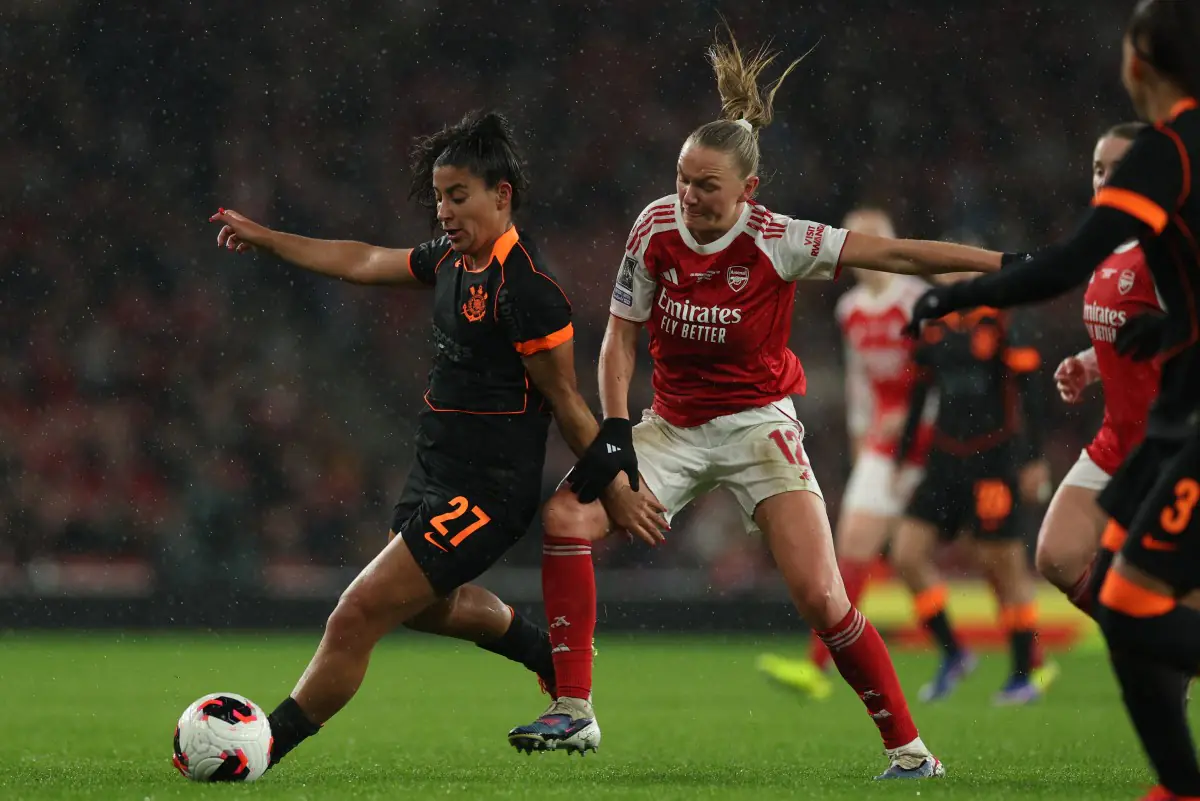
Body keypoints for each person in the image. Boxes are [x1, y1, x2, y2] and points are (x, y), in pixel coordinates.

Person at [507, 30, 1019, 780]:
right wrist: (615, 434)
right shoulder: (653, 229)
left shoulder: (780, 239)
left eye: (706, 185)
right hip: (670, 429)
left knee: (822, 596)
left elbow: (902, 255)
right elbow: (618, 338)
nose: (689, 196)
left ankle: (910, 752)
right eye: (683, 179)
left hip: (758, 429)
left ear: (747, 191)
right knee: (564, 517)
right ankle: (575, 709)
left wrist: (1010, 269)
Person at [207, 110, 664, 771]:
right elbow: (364, 259)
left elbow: (568, 404)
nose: (444, 211)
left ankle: (260, 745)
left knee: (358, 610)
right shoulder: (452, 258)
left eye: (458, 196)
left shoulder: (528, 290)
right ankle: (540, 650)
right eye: (438, 197)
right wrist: (269, 239)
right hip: (433, 474)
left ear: (500, 194)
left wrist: (618, 490)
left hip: (487, 492)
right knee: (424, 608)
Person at [906, 2, 1200, 796]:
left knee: (1142, 615)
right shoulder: (1168, 177)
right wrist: (1111, 354)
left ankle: (1179, 770)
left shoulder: (1169, 153)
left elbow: (1064, 263)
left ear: (1138, 60)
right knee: (1075, 566)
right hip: (1139, 433)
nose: (1104, 181)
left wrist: (965, 291)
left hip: (1180, 431)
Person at [756, 207, 935, 701]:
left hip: (930, 440)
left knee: (927, 557)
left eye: (877, 239)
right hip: (882, 441)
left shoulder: (919, 300)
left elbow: (941, 372)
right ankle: (819, 665)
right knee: (853, 547)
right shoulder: (851, 308)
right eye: (861, 241)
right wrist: (862, 436)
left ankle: (974, 651)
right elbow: (860, 380)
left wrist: (920, 420)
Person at [889, 274, 1052, 706]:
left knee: (1002, 562)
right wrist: (903, 457)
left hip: (993, 460)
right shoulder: (932, 321)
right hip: (943, 460)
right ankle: (954, 652)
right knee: (906, 553)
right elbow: (919, 392)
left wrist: (1034, 458)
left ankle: (1022, 674)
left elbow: (1031, 391)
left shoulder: (1002, 320)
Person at [1039, 122, 1162, 619]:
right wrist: (1090, 365)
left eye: (1119, 169)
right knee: (1058, 556)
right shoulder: (1106, 248)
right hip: (1119, 439)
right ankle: (1152, 652)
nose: (1104, 179)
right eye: (1097, 169)